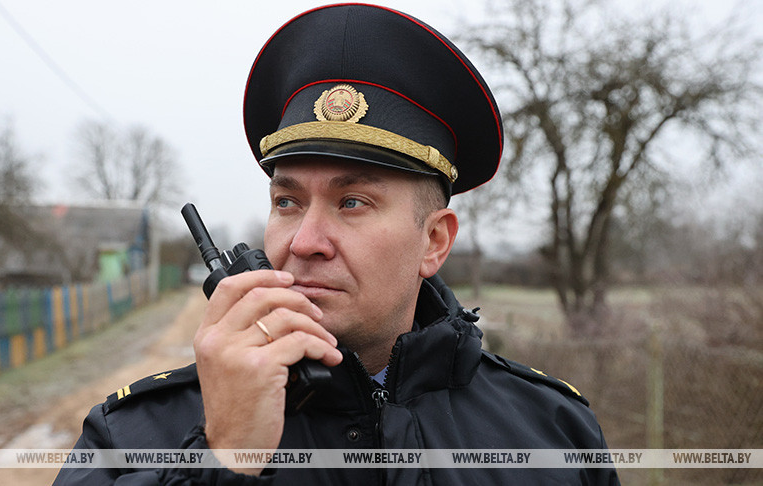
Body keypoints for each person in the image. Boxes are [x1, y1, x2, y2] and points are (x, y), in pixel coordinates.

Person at [54, 4, 619, 485]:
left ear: (435, 241)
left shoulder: (552, 433)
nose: (304, 241)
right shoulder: (127, 437)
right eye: (287, 202)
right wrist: (220, 459)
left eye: (352, 203)